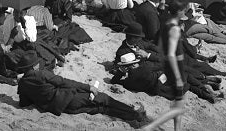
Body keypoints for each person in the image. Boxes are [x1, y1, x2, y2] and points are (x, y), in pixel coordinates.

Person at [15, 50, 146, 124]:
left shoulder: (22, 83)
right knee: (104, 99)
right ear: (34, 66)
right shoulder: (42, 74)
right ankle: (133, 113)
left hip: (60, 109)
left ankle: (131, 116)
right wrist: (88, 87)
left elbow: (24, 103)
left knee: (100, 109)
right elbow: (64, 82)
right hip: (68, 99)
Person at [141, 0, 187, 131]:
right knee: (179, 108)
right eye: (183, 10)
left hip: (169, 65)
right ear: (178, 12)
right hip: (177, 66)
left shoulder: (166, 24)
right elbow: (172, 54)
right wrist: (177, 76)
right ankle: (151, 127)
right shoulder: (175, 29)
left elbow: (161, 48)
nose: (184, 12)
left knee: (179, 103)